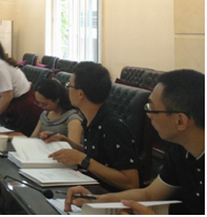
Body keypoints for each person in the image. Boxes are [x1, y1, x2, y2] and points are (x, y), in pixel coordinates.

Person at [65, 69, 204, 215]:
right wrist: (97, 200)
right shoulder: (180, 151)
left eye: (151, 109)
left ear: (180, 121)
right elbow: (149, 194)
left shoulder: (112, 125)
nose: (148, 116)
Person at [47, 62, 139, 191]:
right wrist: (64, 140)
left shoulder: (113, 127)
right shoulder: (91, 118)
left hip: (108, 195)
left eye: (69, 86)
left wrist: (81, 159)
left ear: (80, 94)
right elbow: (96, 154)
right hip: (90, 184)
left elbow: (131, 182)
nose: (67, 90)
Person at [31, 78, 83, 143]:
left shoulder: (72, 118)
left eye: (45, 104)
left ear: (56, 100)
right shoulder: (45, 114)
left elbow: (73, 147)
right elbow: (33, 137)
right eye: (38, 103)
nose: (41, 106)